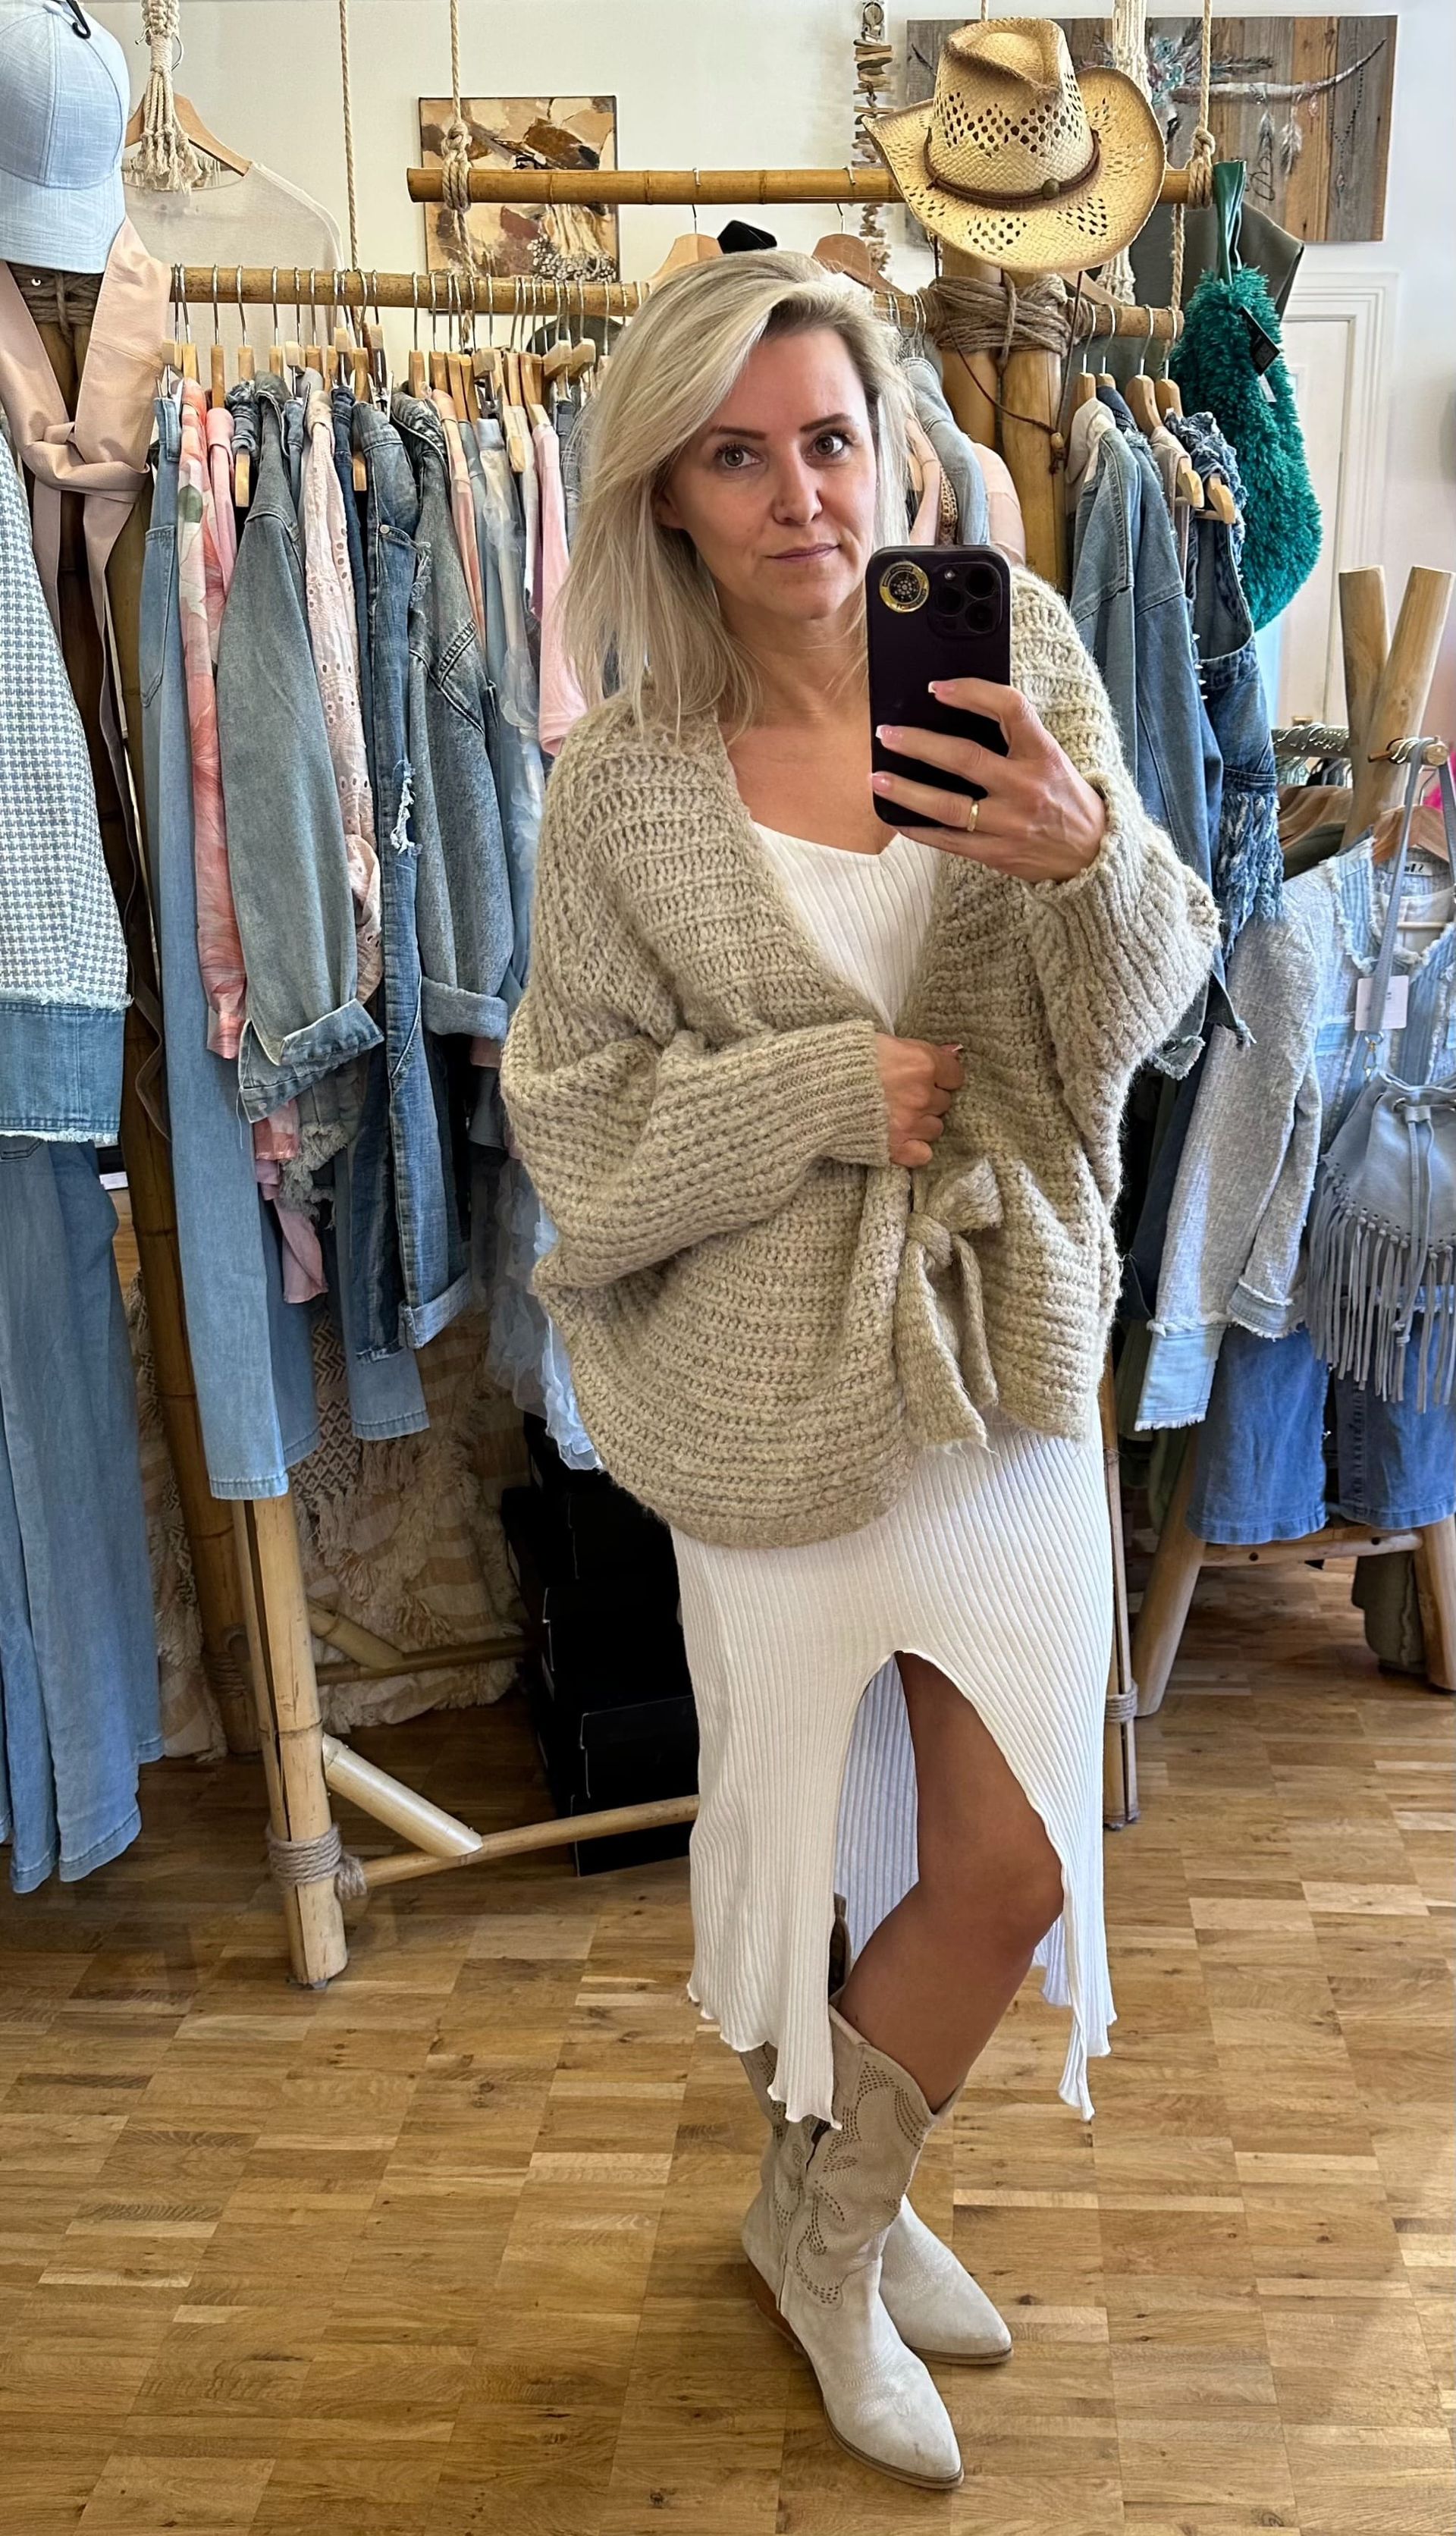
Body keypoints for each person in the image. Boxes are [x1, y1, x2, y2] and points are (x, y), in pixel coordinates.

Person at [500, 252, 1218, 2491]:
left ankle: (822, 2222)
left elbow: (1143, 1016)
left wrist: (1091, 863)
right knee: (804, 1840)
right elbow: (572, 1123)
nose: (802, 497)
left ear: (897, 450)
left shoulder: (1017, 658)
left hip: (1000, 1352)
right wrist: (817, 1094)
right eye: (739, 457)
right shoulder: (623, 789)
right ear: (669, 494)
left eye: (831, 440)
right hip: (760, 1385)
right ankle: (845, 2208)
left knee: (1011, 1853)